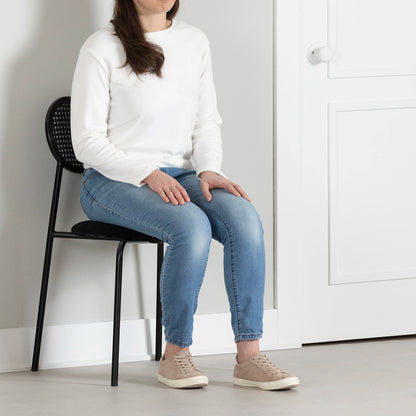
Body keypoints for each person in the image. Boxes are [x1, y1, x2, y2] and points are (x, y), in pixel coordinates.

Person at [71, 0, 300, 390]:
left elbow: (205, 121)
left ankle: (249, 357)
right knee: (191, 226)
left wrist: (210, 168)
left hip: (182, 173)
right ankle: (175, 354)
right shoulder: (101, 47)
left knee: (244, 219)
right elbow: (86, 143)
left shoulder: (194, 41)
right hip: (111, 181)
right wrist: (147, 173)